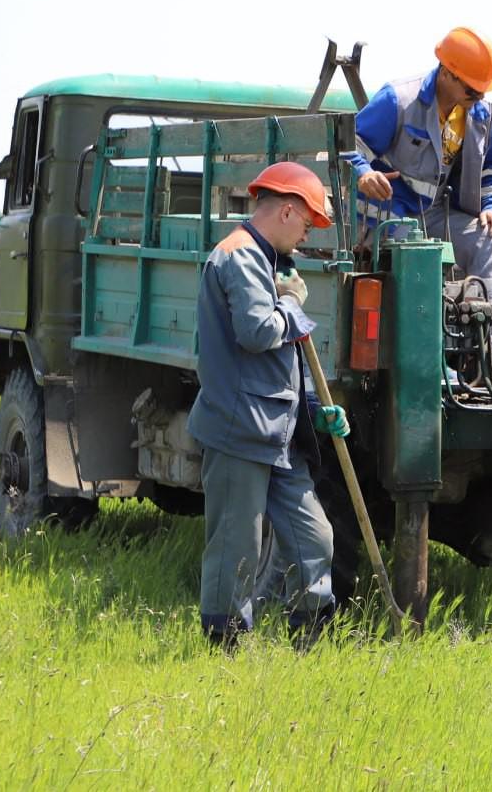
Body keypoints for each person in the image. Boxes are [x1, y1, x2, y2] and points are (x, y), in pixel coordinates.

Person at [187, 160, 351, 650]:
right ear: (286, 210)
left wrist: (314, 411)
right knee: (235, 549)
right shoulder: (238, 257)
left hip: (278, 434)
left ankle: (308, 642)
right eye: (305, 224)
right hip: (239, 431)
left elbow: (281, 360)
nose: (304, 236)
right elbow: (258, 333)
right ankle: (224, 651)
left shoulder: (268, 262)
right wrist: (293, 305)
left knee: (315, 539)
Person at [346, 26, 492, 369]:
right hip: (383, 216)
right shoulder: (399, 101)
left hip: (432, 215)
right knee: (417, 252)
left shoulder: (483, 117)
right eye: (471, 89)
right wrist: (364, 174)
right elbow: (347, 147)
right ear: (447, 73)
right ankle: (428, 360)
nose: (478, 97)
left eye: (483, 91)